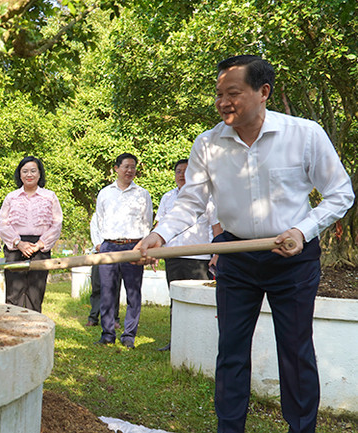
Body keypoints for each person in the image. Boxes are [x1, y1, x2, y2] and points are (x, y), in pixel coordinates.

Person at [135, 55, 354, 433]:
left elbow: (340, 193)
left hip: (293, 259)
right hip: (235, 257)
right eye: (219, 94)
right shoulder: (208, 144)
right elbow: (190, 202)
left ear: (263, 91)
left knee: (295, 352)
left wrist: (302, 231)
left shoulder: (304, 134)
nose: (223, 102)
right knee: (231, 351)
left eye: (232, 92)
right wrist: (159, 234)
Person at [154, 158, 222, 351]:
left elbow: (216, 226)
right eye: (178, 171)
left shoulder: (207, 198)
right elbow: (160, 226)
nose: (182, 174)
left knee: (199, 299)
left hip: (199, 259)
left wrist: (217, 253)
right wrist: (155, 251)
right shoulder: (167, 198)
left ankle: (199, 342)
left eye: (186, 171)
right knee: (176, 299)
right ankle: (175, 340)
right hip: (173, 256)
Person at [91, 153, 153, 349]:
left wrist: (143, 246)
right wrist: (100, 244)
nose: (129, 170)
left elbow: (147, 222)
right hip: (109, 246)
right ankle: (108, 333)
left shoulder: (142, 194)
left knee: (133, 292)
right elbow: (98, 220)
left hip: (133, 247)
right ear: (116, 169)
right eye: (126, 166)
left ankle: (129, 336)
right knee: (107, 291)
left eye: (133, 167)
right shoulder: (105, 193)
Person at [0, 156, 63, 313]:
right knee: (14, 295)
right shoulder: (11, 197)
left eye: (33, 171)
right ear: (19, 175)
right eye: (25, 171)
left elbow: (56, 223)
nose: (29, 174)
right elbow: (3, 223)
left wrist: (39, 244)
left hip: (40, 249)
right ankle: (13, 331)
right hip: (15, 248)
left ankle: (34, 330)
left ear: (40, 174)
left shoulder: (50, 196)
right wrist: (18, 243)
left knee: (35, 295)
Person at [86, 212, 121, 328]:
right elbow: (94, 230)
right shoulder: (97, 215)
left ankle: (114, 318)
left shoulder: (119, 213)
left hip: (115, 254)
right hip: (99, 254)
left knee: (114, 287)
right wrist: (98, 245)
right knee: (96, 286)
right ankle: (93, 317)